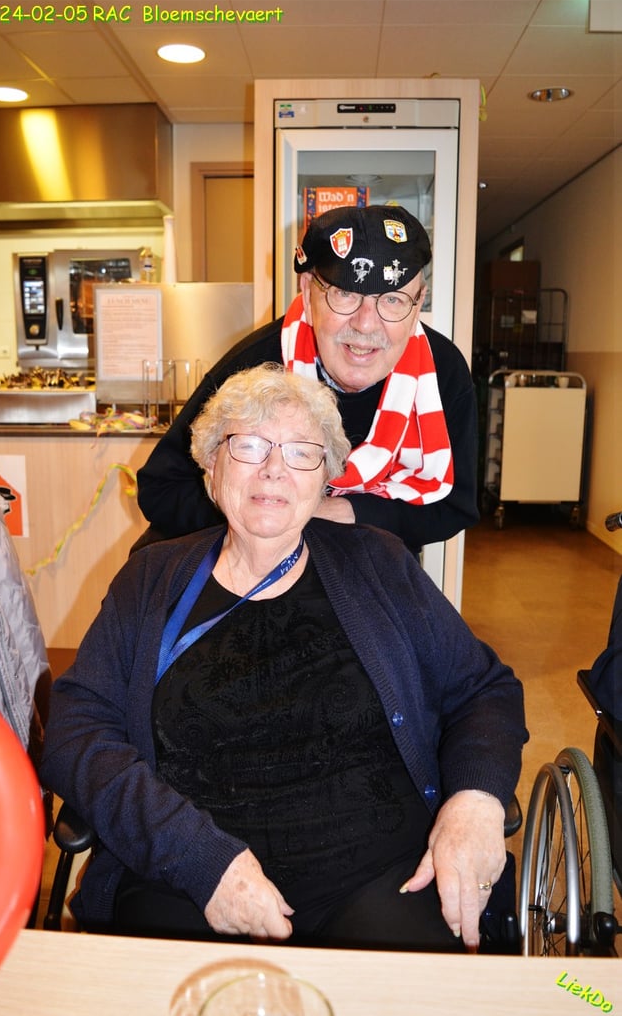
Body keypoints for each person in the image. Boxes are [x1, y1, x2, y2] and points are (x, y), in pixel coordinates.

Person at [41, 364, 526, 952]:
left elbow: (483, 689)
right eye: (249, 446)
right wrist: (198, 859)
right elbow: (77, 732)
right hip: (187, 875)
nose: (274, 469)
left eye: (301, 452)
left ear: (325, 481)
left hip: (378, 870)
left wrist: (475, 800)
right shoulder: (151, 580)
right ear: (212, 467)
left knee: (403, 980)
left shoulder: (377, 563)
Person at [136, 205, 479, 558]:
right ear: (308, 292)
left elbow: (455, 506)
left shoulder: (443, 372)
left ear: (418, 303)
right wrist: (266, 516)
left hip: (374, 564)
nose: (365, 324)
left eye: (392, 300)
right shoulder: (255, 365)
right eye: (345, 293)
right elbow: (161, 489)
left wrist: (338, 512)